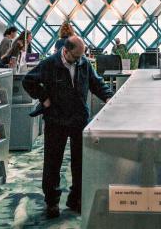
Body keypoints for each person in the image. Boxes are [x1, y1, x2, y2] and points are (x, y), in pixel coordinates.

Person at [23, 36, 112, 219]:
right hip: (56, 120)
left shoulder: (83, 62)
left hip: (79, 118)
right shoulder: (49, 64)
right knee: (53, 162)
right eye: (76, 55)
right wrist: (44, 98)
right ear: (65, 50)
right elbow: (28, 81)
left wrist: (108, 97)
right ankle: (52, 202)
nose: (80, 59)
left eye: (82, 56)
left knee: (80, 162)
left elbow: (96, 83)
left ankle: (76, 198)